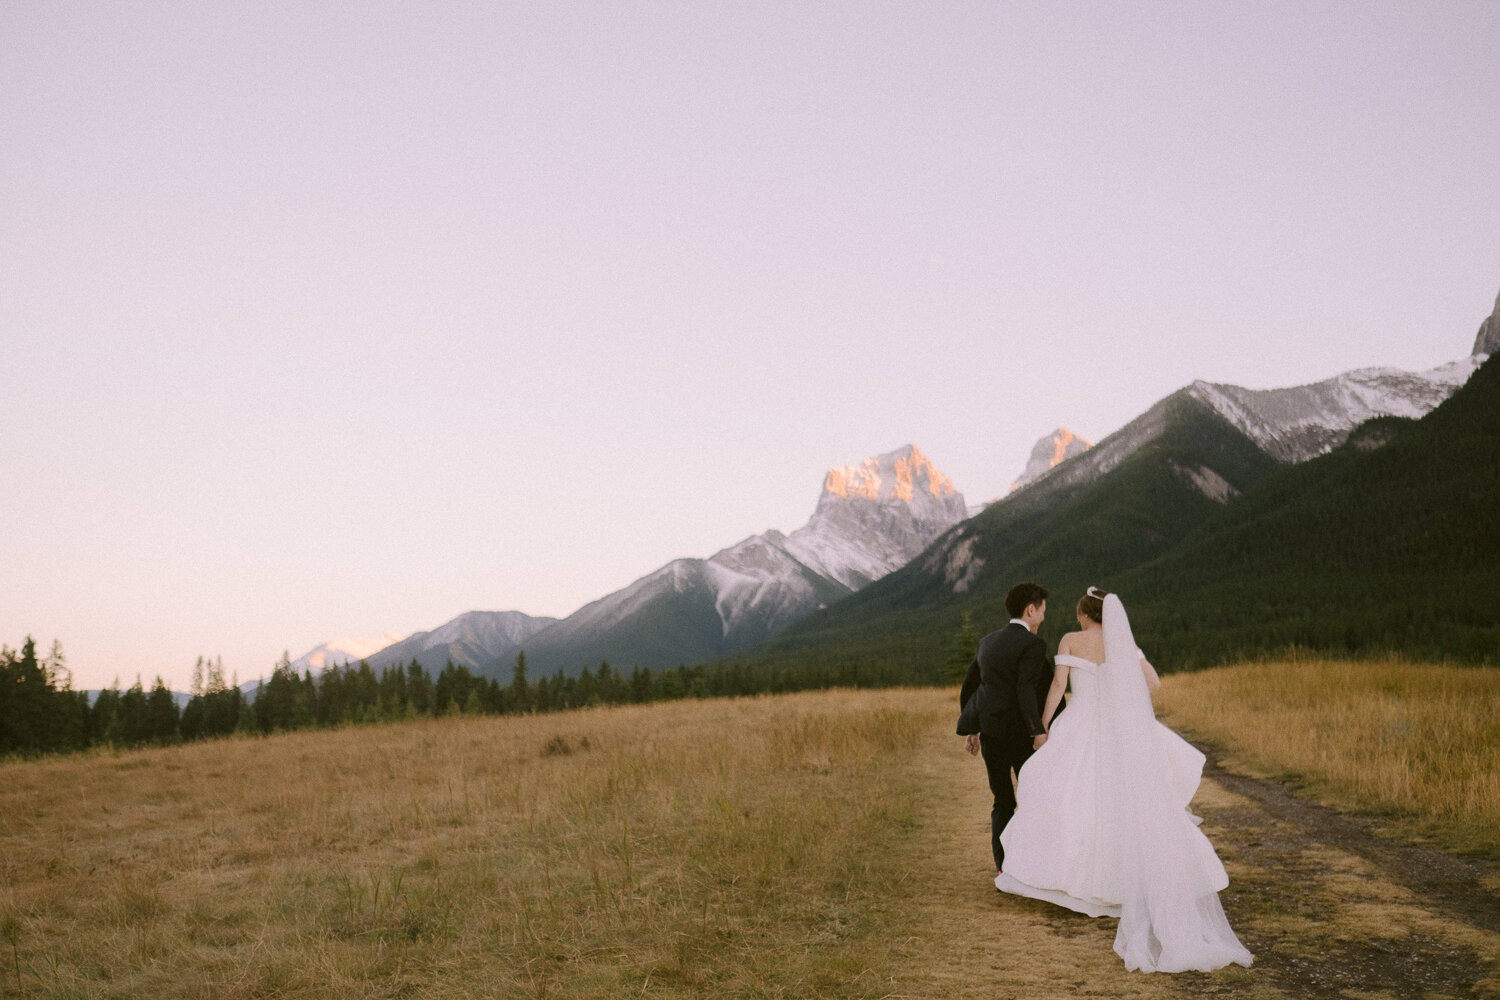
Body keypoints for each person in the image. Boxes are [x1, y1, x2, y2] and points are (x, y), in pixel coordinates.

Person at [994, 587, 1253, 973]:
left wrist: (1044, 725)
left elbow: (1056, 686)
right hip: (1120, 731)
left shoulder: (1071, 639)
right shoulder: (1125, 643)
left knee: (1071, 798)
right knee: (1127, 803)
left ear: (1084, 614)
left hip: (1080, 724)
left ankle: (1074, 884)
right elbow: (1153, 684)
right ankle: (1128, 885)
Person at [956, 581, 1058, 878]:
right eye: (1043, 609)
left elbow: (971, 686)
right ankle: (1031, 866)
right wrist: (1037, 730)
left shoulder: (988, 641)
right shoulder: (1032, 644)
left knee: (1002, 800)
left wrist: (972, 728)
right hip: (1020, 735)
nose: (1044, 614)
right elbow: (1025, 689)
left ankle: (1002, 868)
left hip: (990, 733)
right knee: (1034, 797)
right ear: (1031, 609)